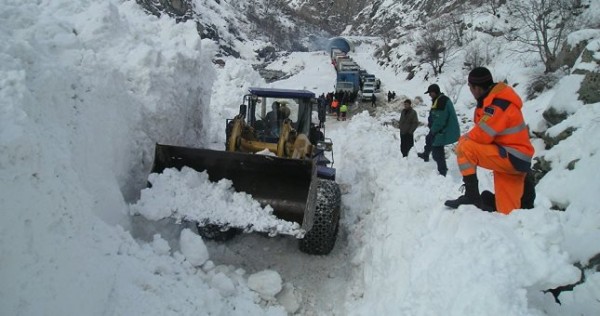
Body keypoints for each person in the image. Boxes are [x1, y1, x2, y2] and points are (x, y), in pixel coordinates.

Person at [444, 67, 535, 214]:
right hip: (513, 160)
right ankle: (518, 202)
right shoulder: (492, 101)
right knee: (508, 213)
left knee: (465, 147)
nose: (471, 91)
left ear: (477, 88)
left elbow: (482, 135)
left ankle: (471, 196)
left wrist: (463, 139)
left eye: (470, 87)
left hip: (511, 157)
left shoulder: (497, 106)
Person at [418, 84, 460, 176]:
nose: (429, 95)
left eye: (430, 93)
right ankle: (425, 154)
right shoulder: (438, 99)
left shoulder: (442, 102)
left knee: (437, 150)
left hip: (442, 130)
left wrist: (433, 130)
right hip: (438, 128)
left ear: (435, 92)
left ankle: (442, 171)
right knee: (429, 139)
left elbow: (440, 120)